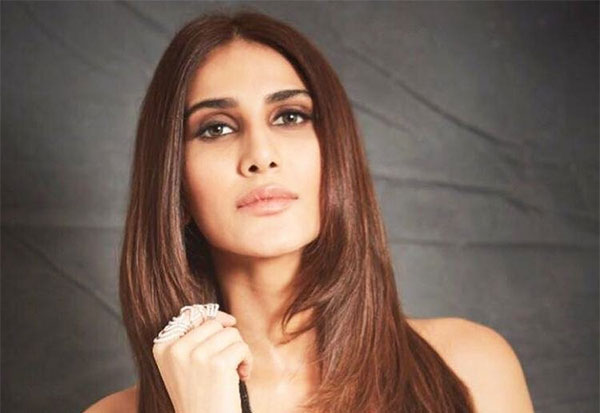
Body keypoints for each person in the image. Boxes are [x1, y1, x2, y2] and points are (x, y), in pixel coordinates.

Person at [84, 9, 534, 413]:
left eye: (289, 117)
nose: (261, 156)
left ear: (334, 151)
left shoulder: (472, 367)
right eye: (216, 128)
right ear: (174, 183)